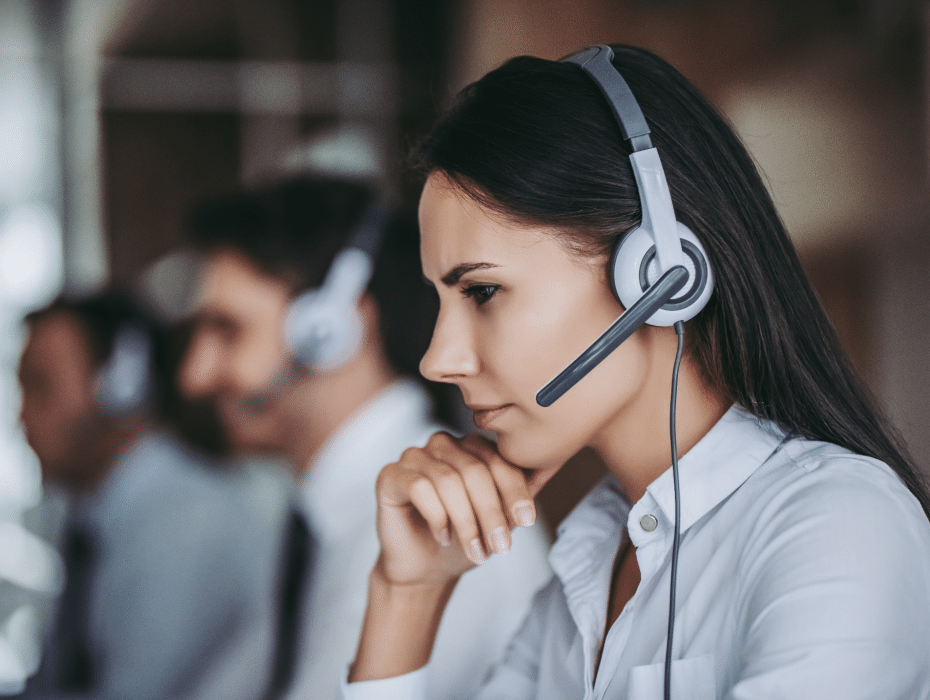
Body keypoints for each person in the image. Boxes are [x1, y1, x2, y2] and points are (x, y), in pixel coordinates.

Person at [341, 44, 930, 699]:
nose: (438, 359)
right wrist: (406, 594)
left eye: (481, 292)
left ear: (659, 273)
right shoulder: (585, 574)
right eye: (438, 301)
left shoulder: (836, 525)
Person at [178, 176, 552, 700]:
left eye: (228, 330)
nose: (193, 375)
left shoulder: (444, 514)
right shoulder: (314, 518)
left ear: (331, 333)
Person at [16, 290, 272, 700]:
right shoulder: (91, 515)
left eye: (40, 386)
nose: (21, 415)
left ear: (122, 385)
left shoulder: (189, 521)